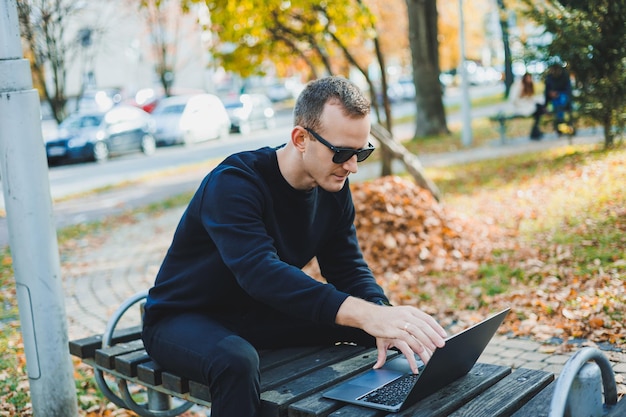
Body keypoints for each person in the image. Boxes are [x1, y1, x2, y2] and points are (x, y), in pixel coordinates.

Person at [142, 76, 447, 417]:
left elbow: (347, 267)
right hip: (184, 318)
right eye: (342, 153)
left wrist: (382, 314)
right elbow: (260, 273)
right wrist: (369, 314)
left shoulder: (333, 186)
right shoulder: (234, 183)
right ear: (301, 139)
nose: (351, 166)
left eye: (361, 152)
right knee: (236, 361)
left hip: (257, 315)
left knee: (376, 332)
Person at [508, 72, 544, 139]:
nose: (529, 80)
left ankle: (535, 131)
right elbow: (513, 99)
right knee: (539, 109)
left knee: (539, 108)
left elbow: (530, 98)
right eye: (528, 78)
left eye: (530, 78)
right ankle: (535, 131)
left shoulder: (529, 86)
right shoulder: (518, 85)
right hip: (520, 107)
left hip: (528, 107)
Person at [543, 63, 573, 135]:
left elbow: (568, 90)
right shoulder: (549, 78)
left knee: (560, 101)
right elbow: (547, 92)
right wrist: (546, 104)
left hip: (564, 97)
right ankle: (561, 124)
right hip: (554, 99)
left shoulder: (565, 76)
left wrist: (558, 93)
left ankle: (560, 124)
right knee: (557, 102)